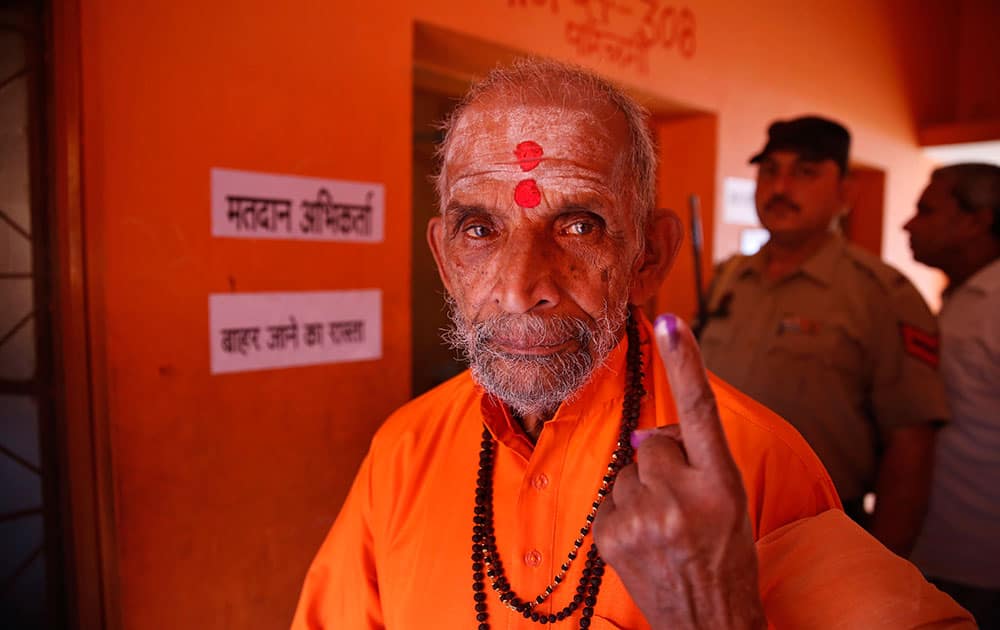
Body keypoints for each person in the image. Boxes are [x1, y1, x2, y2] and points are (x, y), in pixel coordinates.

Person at [290, 60, 970, 628]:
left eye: (579, 226)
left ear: (648, 257)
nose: (522, 289)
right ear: (444, 260)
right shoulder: (404, 451)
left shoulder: (756, 462)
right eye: (481, 230)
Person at [698, 116, 950, 556]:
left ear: (846, 194)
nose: (781, 186)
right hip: (712, 519)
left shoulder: (881, 295)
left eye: (806, 172)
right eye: (770, 170)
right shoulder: (728, 280)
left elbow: (910, 443)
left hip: (820, 531)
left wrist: (881, 565)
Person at [905, 163, 1000, 627]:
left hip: (982, 565)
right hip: (943, 549)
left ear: (976, 221)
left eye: (926, 210)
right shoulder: (966, 298)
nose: (908, 223)